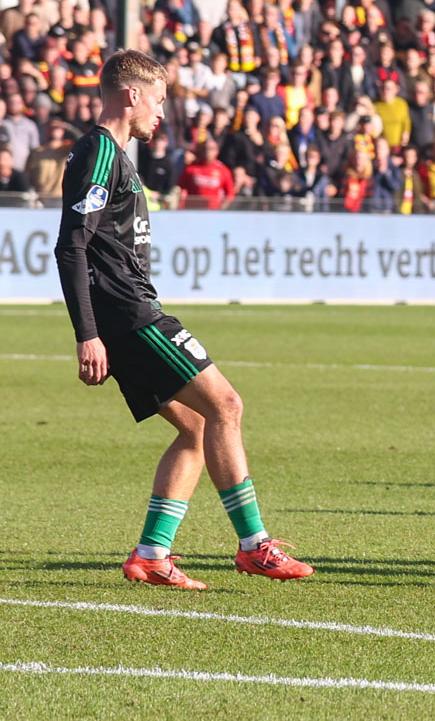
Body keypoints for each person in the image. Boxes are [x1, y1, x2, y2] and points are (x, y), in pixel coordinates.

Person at [53, 50, 313, 590]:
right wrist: (89, 334)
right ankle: (254, 546)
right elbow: (71, 246)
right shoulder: (101, 151)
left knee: (197, 428)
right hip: (129, 316)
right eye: (159, 100)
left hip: (125, 313)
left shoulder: (113, 155)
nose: (162, 113)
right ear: (131, 94)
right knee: (227, 405)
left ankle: (151, 555)